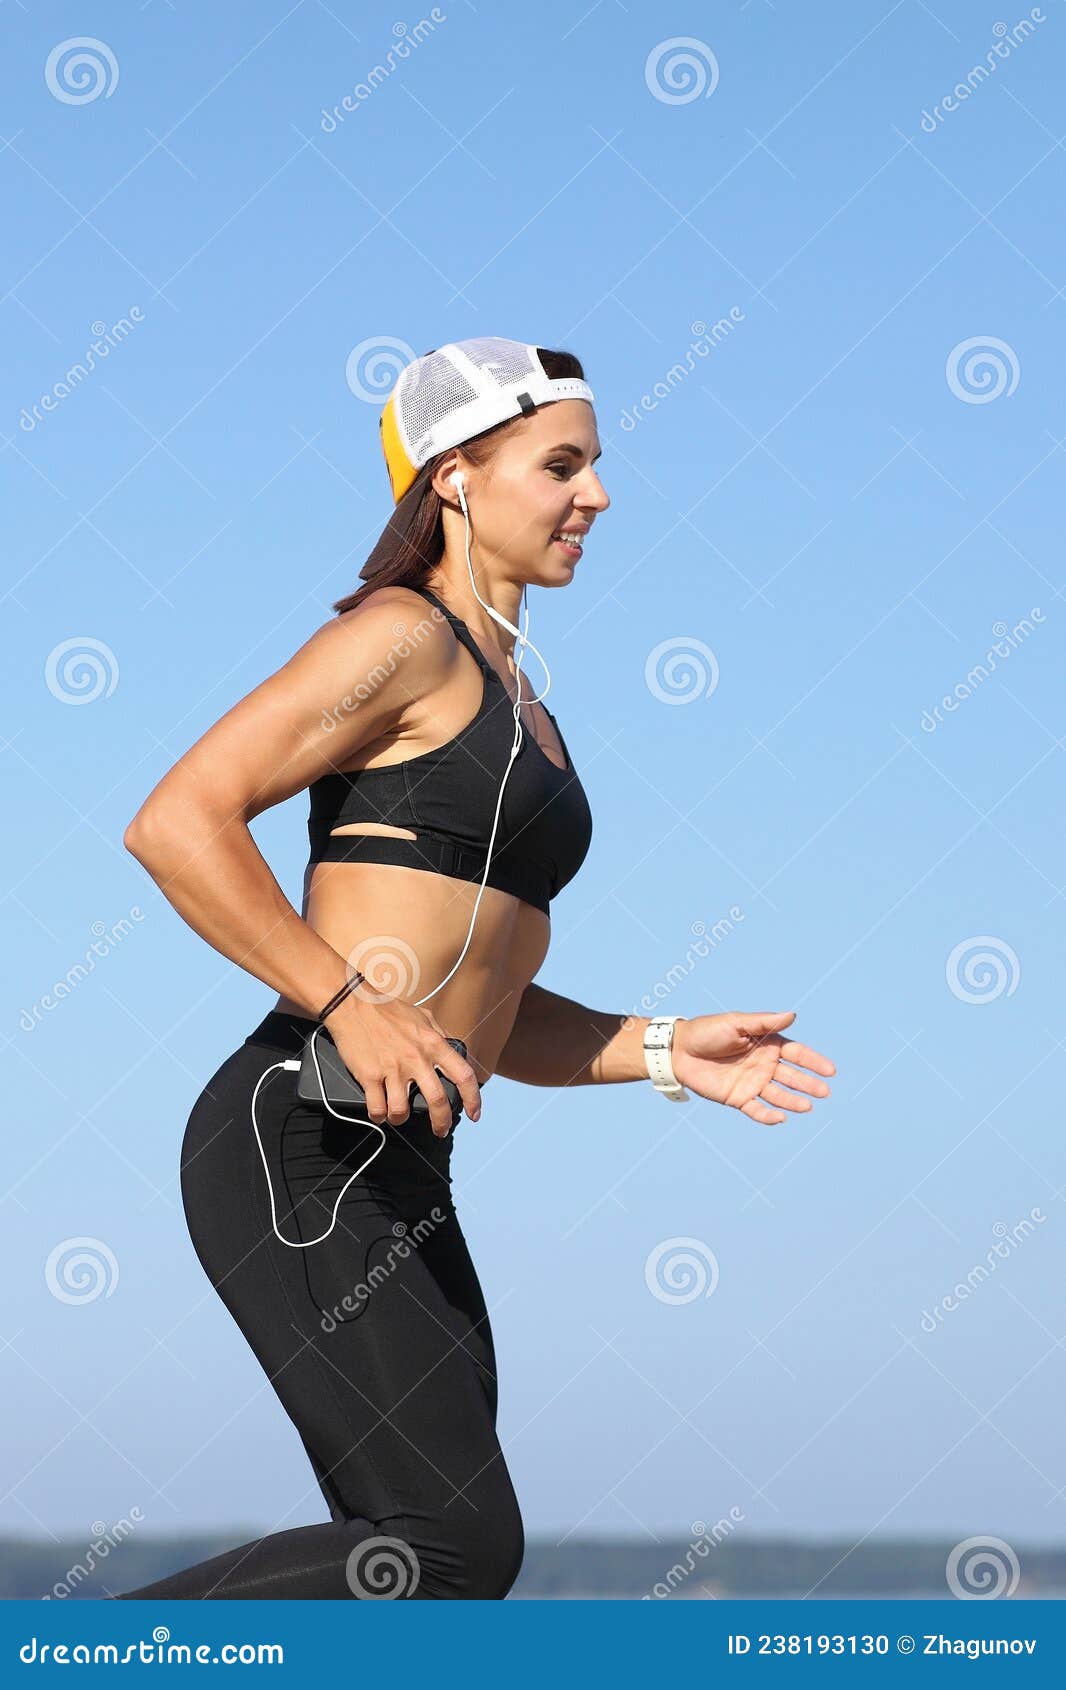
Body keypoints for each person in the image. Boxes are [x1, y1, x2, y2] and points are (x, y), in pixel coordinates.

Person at [117, 338, 836, 1600]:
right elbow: (179, 820)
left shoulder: (527, 706)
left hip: (407, 1164)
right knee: (449, 1548)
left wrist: (666, 1050)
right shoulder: (403, 640)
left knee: (415, 1583)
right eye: (561, 464)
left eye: (595, 468)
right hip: (303, 1135)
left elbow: (476, 1015)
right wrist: (350, 1000)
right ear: (455, 475)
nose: (596, 496)